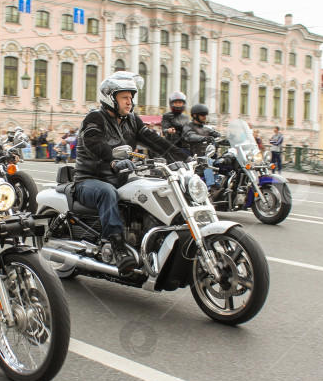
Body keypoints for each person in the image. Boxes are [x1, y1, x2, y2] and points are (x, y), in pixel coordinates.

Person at [74, 71, 188, 275]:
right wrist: (113, 160)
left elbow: (154, 141)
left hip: (121, 179)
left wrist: (184, 158)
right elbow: (95, 142)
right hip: (89, 180)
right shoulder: (94, 118)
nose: (130, 102)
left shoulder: (132, 121)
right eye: (125, 97)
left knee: (154, 187)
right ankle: (118, 248)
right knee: (107, 191)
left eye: (131, 97)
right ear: (111, 98)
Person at [182, 103, 220, 190]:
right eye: (202, 115)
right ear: (195, 115)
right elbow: (190, 136)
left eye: (206, 115)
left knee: (222, 162)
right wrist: (205, 138)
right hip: (193, 158)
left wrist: (230, 138)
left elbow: (217, 135)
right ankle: (211, 187)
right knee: (208, 161)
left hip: (206, 157)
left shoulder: (206, 128)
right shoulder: (188, 127)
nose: (205, 117)